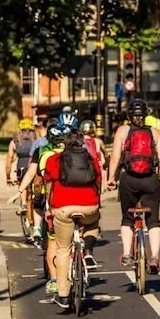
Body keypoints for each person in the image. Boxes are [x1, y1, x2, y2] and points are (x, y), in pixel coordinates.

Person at [43, 128, 103, 308]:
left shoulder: (54, 160)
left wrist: (49, 207)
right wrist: (96, 203)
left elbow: (48, 185)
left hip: (62, 208)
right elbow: (98, 182)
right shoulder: (91, 160)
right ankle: (89, 252)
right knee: (93, 222)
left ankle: (63, 295)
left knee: (63, 249)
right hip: (89, 206)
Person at [107, 98, 160, 273]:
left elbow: (115, 158)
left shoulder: (122, 131)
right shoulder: (154, 132)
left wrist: (111, 178)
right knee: (154, 220)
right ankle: (155, 257)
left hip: (129, 180)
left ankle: (127, 253)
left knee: (127, 218)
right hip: (150, 180)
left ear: (129, 115)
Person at [10, 123, 69, 291]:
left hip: (50, 199)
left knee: (52, 242)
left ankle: (54, 279)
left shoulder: (42, 152)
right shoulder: (72, 151)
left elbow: (31, 174)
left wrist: (20, 191)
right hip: (74, 198)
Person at [7, 119, 38, 188]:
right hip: (35, 169)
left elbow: (9, 161)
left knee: (22, 187)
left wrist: (8, 177)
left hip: (21, 169)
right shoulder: (38, 141)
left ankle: (24, 199)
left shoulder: (14, 142)